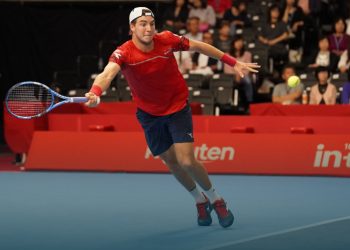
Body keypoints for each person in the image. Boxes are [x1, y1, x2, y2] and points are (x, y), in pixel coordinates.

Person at [85, 7, 259, 228]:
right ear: (132, 28)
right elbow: (107, 73)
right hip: (149, 114)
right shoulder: (124, 52)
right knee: (171, 161)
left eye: (151, 23)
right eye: (142, 24)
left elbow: (199, 46)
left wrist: (233, 62)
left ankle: (216, 199)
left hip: (176, 107)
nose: (148, 28)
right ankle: (199, 200)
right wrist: (95, 91)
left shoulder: (166, 39)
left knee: (186, 160)